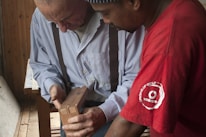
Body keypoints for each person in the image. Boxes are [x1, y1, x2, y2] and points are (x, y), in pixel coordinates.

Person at [87, 0, 206, 137]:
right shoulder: (182, 6)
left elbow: (132, 122)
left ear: (133, 2)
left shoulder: (167, 42)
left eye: (106, 12)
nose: (105, 21)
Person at [29, 0, 145, 136]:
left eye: (66, 18)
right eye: (53, 23)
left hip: (120, 110)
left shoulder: (120, 15)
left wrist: (105, 112)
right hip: (73, 111)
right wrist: (51, 84)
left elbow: (138, 78)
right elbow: (41, 65)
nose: (62, 29)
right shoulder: (40, 18)